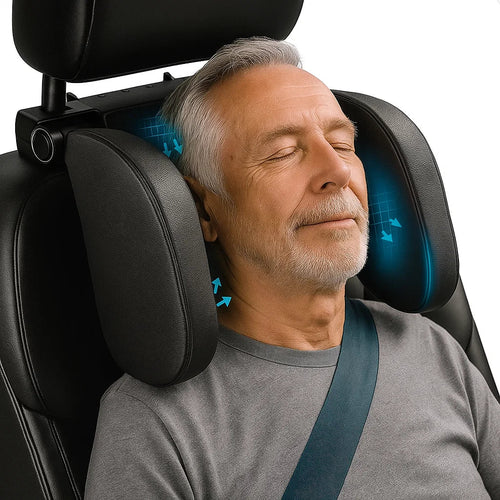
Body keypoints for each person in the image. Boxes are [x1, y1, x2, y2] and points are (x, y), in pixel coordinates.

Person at [84, 37, 500, 499]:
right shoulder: (157, 423)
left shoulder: (429, 347)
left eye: (342, 144)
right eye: (282, 153)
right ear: (203, 210)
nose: (337, 172)